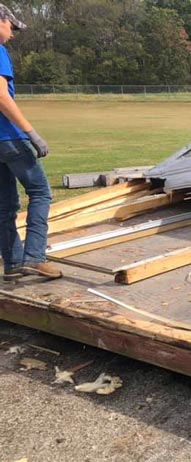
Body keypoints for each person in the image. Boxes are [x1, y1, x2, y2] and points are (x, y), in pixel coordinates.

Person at [0, 4, 61, 281]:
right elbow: (2, 97)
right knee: (40, 192)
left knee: (5, 205)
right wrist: (31, 132)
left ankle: (12, 263)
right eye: (11, 27)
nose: (11, 34)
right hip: (9, 137)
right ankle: (35, 258)